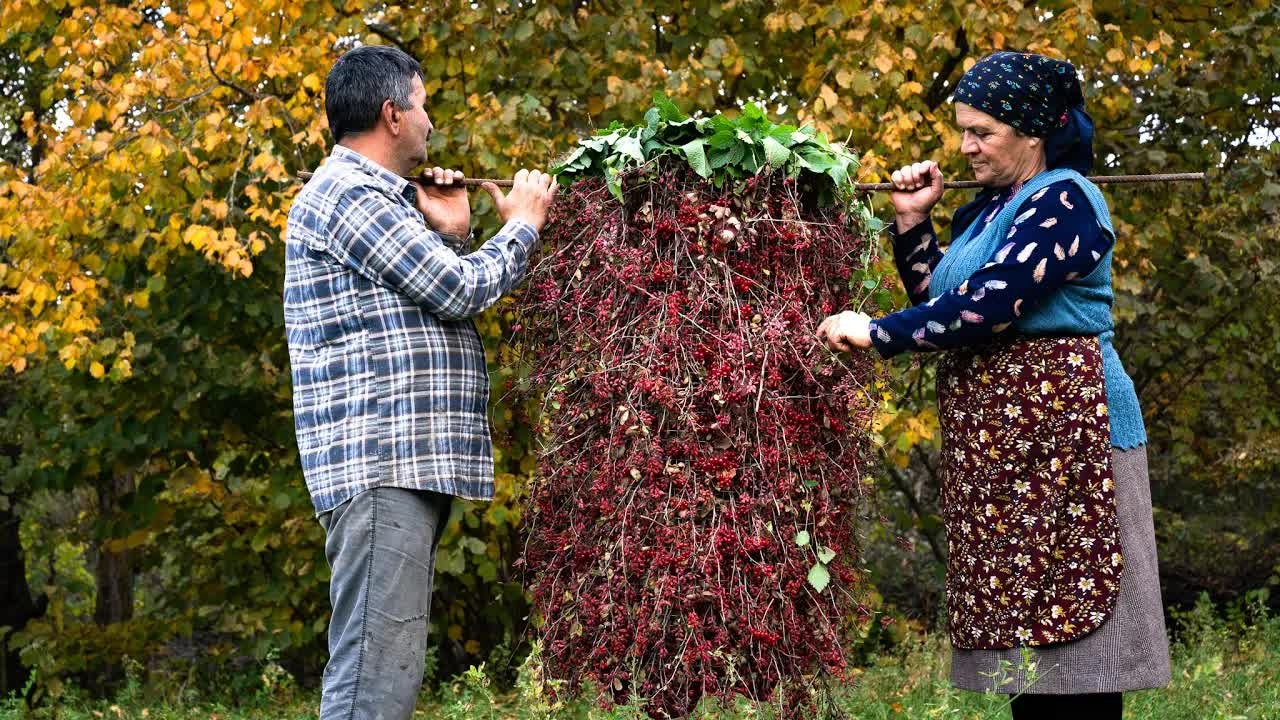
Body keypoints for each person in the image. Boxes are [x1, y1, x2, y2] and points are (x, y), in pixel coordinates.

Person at [817, 51, 1170, 720]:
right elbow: (942, 298)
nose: (965, 146)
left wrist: (878, 333)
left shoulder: (1065, 197)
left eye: (981, 131)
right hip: (1006, 456)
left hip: (1075, 447)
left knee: (1080, 657)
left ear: (1032, 131)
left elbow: (992, 304)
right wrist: (913, 220)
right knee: (1031, 665)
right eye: (962, 130)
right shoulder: (987, 212)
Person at [283, 45, 556, 720]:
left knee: (386, 671)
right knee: (372, 680)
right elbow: (460, 292)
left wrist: (457, 234)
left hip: (399, 467)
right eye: (423, 103)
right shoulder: (349, 196)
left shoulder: (380, 203)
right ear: (392, 114)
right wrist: (521, 225)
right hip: (381, 466)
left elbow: (428, 296)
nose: (431, 121)